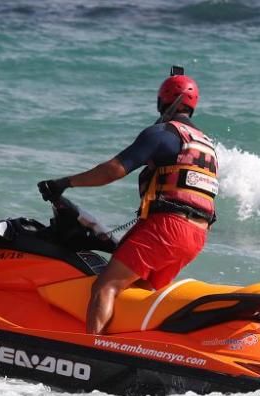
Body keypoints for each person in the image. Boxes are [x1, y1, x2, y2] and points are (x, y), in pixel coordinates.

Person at [37, 67, 219, 334]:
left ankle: (93, 353)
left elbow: (112, 170)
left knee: (106, 286)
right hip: (196, 236)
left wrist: (64, 183)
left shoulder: (162, 133)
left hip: (167, 228)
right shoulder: (206, 144)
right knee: (139, 293)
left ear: (162, 100)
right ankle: (132, 347)